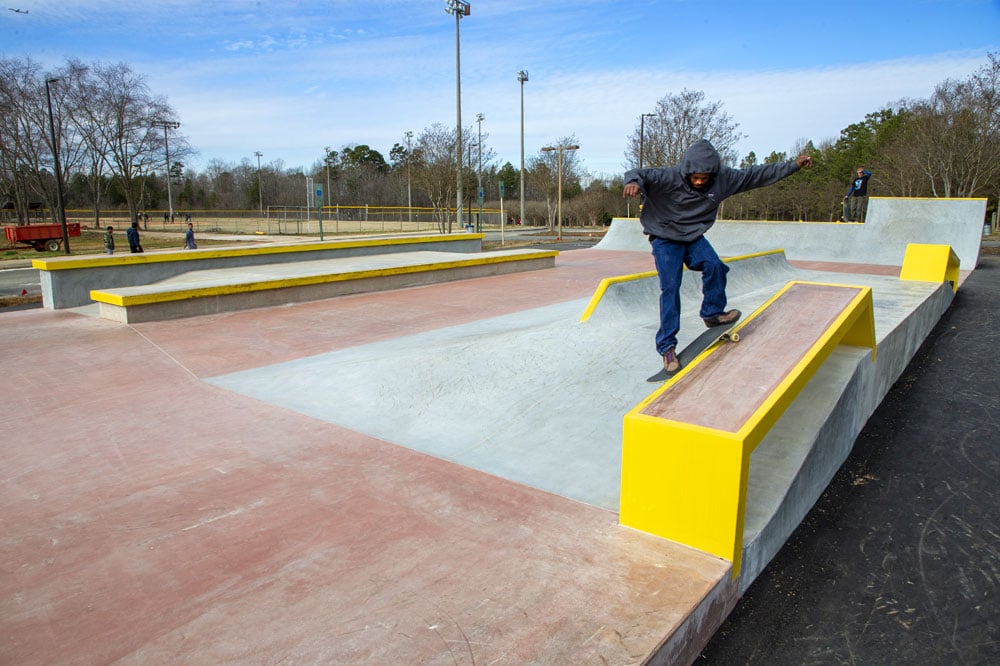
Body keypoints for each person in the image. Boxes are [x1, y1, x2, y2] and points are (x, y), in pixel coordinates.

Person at [623, 139, 813, 377]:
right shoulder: (668, 176)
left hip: (692, 236)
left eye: (705, 178)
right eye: (696, 178)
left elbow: (758, 174)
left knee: (715, 266)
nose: (700, 182)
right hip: (664, 237)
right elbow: (638, 173)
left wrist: (793, 166)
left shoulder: (725, 179)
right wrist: (633, 182)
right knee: (670, 288)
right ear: (687, 171)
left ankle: (712, 313)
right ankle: (667, 347)